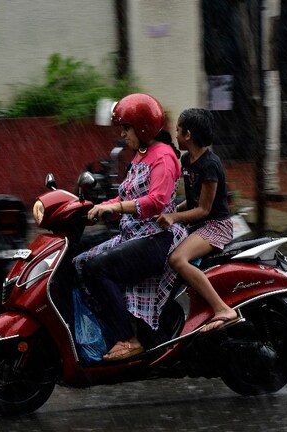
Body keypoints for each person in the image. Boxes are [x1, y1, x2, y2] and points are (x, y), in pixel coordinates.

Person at [73, 93, 187, 362]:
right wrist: (95, 210)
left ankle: (128, 339)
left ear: (143, 127)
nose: (123, 134)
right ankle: (106, 331)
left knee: (97, 268)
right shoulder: (141, 155)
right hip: (133, 233)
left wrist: (115, 208)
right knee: (78, 262)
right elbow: (125, 197)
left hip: (158, 237)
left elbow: (157, 201)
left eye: (126, 128)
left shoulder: (164, 157)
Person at [156, 108, 238, 333]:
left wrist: (173, 217)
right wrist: (169, 211)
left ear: (188, 135)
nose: (176, 135)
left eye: (179, 131)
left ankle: (222, 309)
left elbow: (203, 209)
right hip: (199, 224)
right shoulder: (187, 160)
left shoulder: (210, 164)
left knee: (178, 259)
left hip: (215, 226)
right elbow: (191, 202)